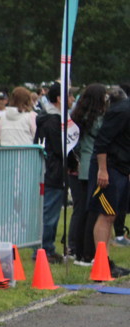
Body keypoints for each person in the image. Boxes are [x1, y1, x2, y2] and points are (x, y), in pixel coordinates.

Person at [88, 82, 130, 276]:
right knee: (106, 214)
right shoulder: (122, 111)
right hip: (109, 168)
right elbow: (102, 141)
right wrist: (103, 170)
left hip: (120, 168)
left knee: (112, 215)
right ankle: (101, 262)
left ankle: (106, 261)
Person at [68, 84, 109, 265]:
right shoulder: (98, 119)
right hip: (93, 165)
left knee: (81, 211)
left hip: (81, 164)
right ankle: (87, 251)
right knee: (91, 211)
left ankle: (77, 249)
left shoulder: (77, 116)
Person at [34, 83, 66, 263]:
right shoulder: (54, 121)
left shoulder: (45, 118)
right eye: (69, 96)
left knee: (49, 210)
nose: (71, 99)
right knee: (49, 212)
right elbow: (60, 148)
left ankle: (47, 247)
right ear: (59, 99)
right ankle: (44, 248)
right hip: (53, 171)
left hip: (47, 169)